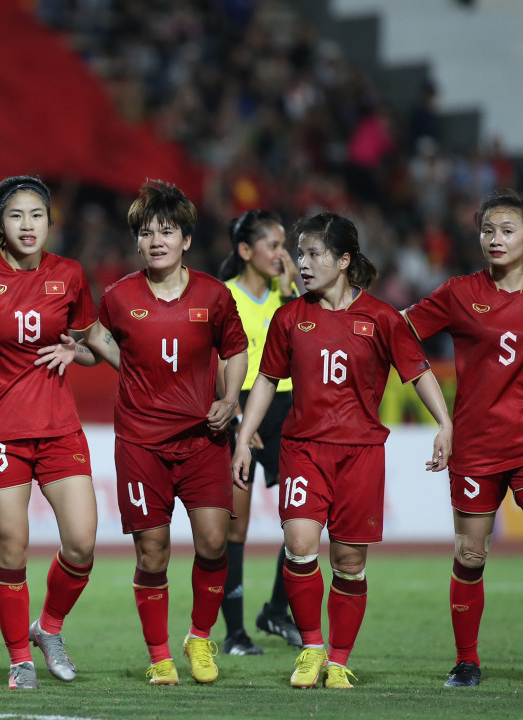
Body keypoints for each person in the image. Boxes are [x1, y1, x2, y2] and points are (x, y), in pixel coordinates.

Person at [232, 212, 452, 690]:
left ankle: (338, 659)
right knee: (300, 546)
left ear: (345, 260)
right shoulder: (289, 317)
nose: (302, 264)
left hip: (361, 454)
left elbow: (419, 372)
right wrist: (244, 438)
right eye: (300, 253)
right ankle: (312, 647)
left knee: (349, 565)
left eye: (314, 254)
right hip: (304, 449)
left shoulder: (381, 318)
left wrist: (444, 422)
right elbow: (267, 380)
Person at [41, 181, 248, 685]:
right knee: (152, 550)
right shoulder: (118, 296)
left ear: (187, 241)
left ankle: (200, 639)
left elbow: (236, 350)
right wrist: (84, 353)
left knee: (214, 543)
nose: (157, 239)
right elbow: (97, 341)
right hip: (140, 443)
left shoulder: (215, 297)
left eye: (168, 231)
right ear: (137, 241)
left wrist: (229, 398)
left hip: (203, 439)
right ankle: (159, 655)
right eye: (147, 232)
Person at [403, 189, 523, 691]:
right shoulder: (459, 292)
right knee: (471, 555)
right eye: (487, 230)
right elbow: (400, 332)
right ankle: (466, 661)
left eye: (507, 230)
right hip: (477, 444)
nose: (495, 239)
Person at [0, 175, 97, 690]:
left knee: (81, 544)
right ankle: (20, 659)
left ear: (49, 221)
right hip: (0, 434)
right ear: (0, 223)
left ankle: (48, 628)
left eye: (37, 214)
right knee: (12, 550)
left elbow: (90, 344)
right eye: (17, 215)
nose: (28, 225)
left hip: (60, 430)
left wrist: (74, 351)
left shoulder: (71, 275)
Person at [216, 210, 302, 654]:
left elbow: (309, 342)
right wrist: (236, 421)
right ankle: (234, 634)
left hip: (287, 409)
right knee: (237, 527)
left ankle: (275, 611)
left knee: (302, 521)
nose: (281, 254)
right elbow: (215, 363)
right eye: (272, 244)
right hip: (243, 406)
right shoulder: (223, 296)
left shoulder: (285, 297)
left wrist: (291, 293)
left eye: (284, 245)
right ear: (245, 251)